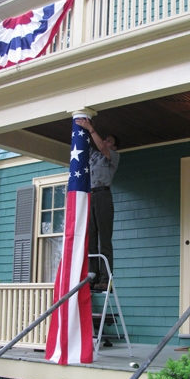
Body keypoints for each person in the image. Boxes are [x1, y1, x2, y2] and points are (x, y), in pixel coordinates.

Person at [75, 117, 120, 292]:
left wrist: (91, 128)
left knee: (104, 239)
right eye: (105, 139)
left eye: (109, 141)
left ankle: (105, 279)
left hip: (103, 195)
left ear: (114, 147)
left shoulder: (113, 156)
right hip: (91, 195)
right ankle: (92, 276)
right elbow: (87, 146)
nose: (105, 141)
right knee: (91, 238)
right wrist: (85, 128)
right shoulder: (94, 156)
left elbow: (101, 146)